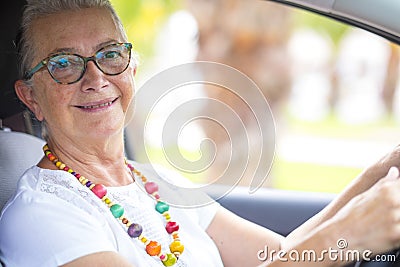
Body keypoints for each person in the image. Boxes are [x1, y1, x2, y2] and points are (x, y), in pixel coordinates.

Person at [1, 0, 400, 266]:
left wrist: (378, 173)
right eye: (64, 64)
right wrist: (351, 232)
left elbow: (279, 254)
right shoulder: (39, 217)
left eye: (109, 55)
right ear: (31, 98)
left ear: (131, 69)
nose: (95, 78)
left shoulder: (151, 181)